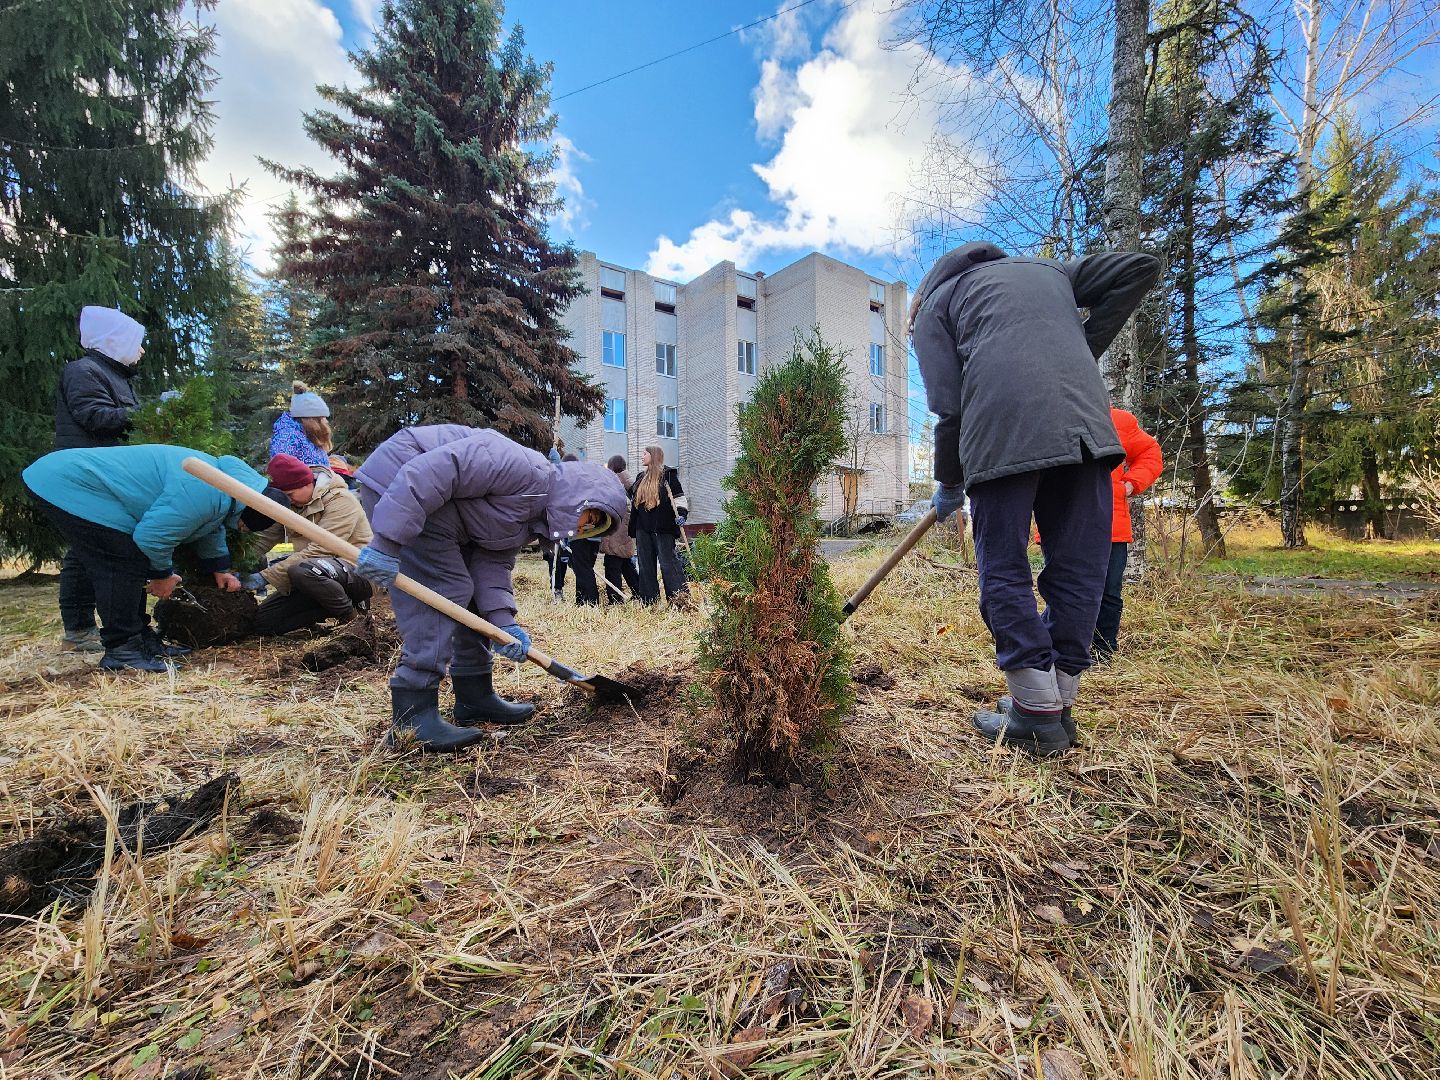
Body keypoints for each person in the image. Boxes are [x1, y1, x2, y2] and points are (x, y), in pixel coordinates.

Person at [911, 241, 1160, 756]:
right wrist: (1078, 349)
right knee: (1078, 568)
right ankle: (1057, 702)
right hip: (1085, 430)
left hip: (1000, 432)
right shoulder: (1049, 272)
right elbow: (1139, 265)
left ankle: (1035, 710)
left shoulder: (935, 305)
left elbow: (949, 407)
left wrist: (949, 483)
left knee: (1003, 565)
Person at [351, 425, 629, 753]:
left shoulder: (534, 521)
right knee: (446, 587)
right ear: (580, 497)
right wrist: (387, 543)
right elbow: (431, 472)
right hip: (401, 482)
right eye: (591, 516)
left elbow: (492, 566)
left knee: (471, 598)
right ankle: (413, 716)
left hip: (445, 514)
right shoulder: (521, 470)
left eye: (593, 528)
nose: (582, 528)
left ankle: (474, 695)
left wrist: (503, 623)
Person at [22, 445, 282, 673]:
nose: (240, 529)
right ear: (248, 513)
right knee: (120, 560)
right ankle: (123, 650)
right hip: (67, 483)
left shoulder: (225, 487)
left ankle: (140, 640)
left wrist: (220, 568)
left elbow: (210, 526)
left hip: (67, 478)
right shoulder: (205, 491)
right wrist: (162, 575)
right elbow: (151, 538)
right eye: (244, 527)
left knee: (128, 557)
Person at [52, 306, 147, 654]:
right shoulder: (83, 371)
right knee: (84, 549)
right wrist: (148, 413)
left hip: (108, 471)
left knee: (102, 547)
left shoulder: (115, 376)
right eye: (136, 343)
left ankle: (123, 626)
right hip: (86, 472)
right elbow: (93, 416)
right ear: (115, 341)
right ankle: (78, 629)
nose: (141, 351)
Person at [244, 454, 375, 636]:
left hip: (357, 572)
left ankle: (352, 619)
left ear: (307, 483)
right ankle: (329, 608)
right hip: (314, 577)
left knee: (302, 570)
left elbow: (322, 549)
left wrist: (264, 577)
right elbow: (264, 539)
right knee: (263, 623)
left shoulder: (341, 500)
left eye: (290, 495)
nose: (288, 501)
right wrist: (234, 565)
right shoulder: (288, 506)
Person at [1093, 408, 1163, 660]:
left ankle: (1103, 652)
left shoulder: (1117, 419)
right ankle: (1065, 650)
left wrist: (1129, 485)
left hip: (1111, 522)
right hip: (1060, 521)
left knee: (1109, 591)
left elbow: (1149, 452)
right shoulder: (1052, 412)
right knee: (1063, 589)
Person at [628, 445, 690, 606]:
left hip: (663, 527)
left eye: (645, 454)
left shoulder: (668, 475)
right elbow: (633, 499)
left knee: (668, 563)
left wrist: (681, 514)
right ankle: (649, 602)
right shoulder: (640, 478)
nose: (642, 456)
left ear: (653, 456)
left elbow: (679, 498)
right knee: (645, 565)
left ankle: (679, 601)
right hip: (643, 528)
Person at [600, 455, 641, 603]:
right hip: (625, 528)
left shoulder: (615, 482)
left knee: (612, 563)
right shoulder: (630, 482)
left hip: (616, 529)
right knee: (625, 562)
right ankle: (639, 591)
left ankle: (615, 598)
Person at [269, 381, 333, 468]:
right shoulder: (288, 437)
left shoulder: (309, 436)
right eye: (322, 418)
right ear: (311, 420)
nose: (326, 422)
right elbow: (281, 467)